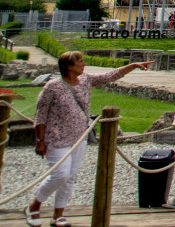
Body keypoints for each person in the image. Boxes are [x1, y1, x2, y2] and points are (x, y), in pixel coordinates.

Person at [27, 52, 152, 227]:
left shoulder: (85, 80)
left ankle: (58, 215)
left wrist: (133, 66)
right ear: (69, 66)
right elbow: (40, 115)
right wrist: (39, 141)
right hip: (56, 138)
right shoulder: (52, 87)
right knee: (60, 174)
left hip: (79, 137)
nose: (84, 64)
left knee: (70, 176)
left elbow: (110, 76)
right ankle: (34, 206)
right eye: (80, 62)